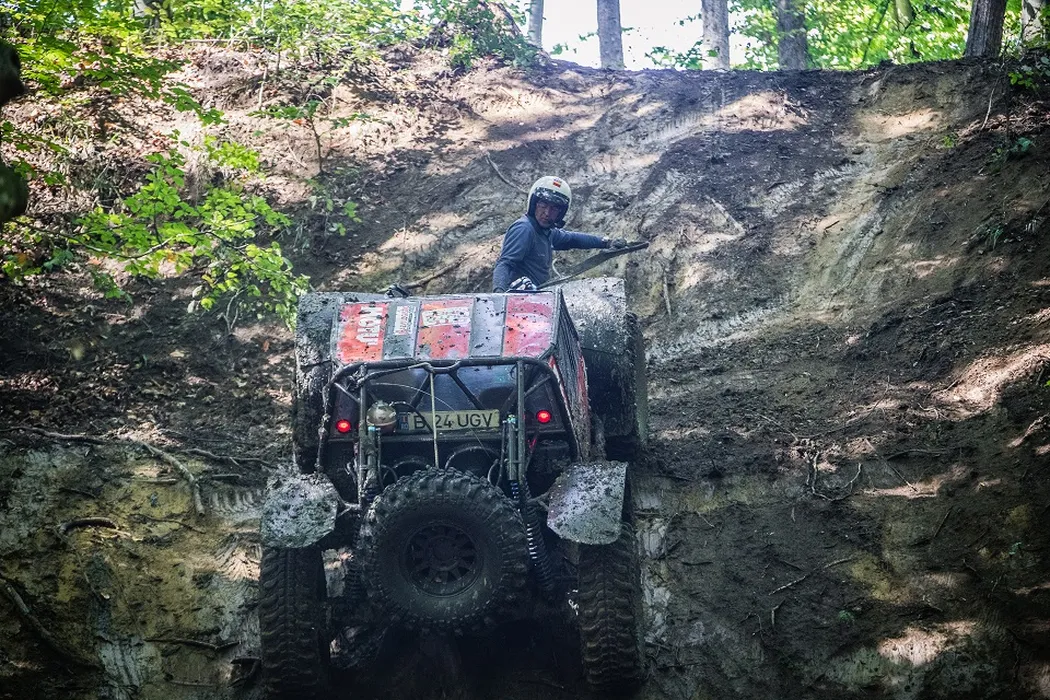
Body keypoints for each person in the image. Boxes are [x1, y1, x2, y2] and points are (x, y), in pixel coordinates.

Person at [492, 176, 627, 292]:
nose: (547, 213)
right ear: (534, 204)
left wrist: (607, 242)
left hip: (537, 298)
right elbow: (505, 264)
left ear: (560, 213)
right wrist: (500, 294)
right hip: (519, 301)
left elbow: (572, 239)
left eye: (554, 208)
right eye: (543, 205)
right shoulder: (524, 229)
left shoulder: (546, 231)